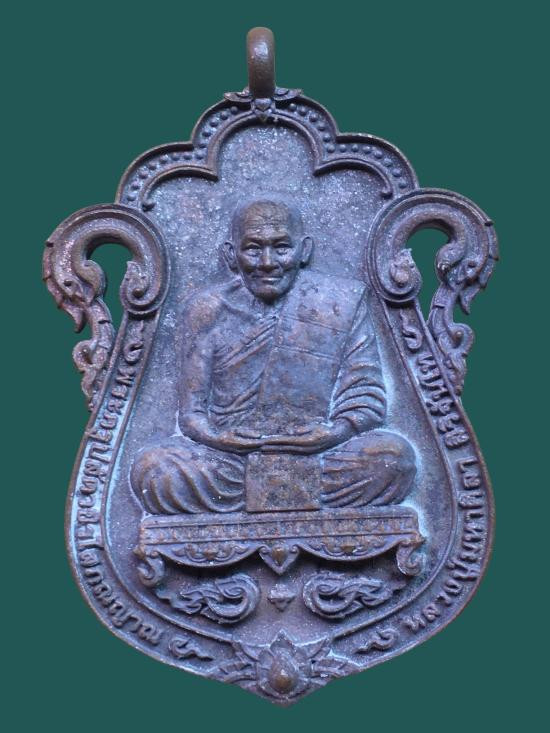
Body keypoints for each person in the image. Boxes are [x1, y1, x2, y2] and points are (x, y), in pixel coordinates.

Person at [131, 199, 416, 514]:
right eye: (253, 249)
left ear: (304, 251)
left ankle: (274, 495)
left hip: (319, 454)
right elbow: (191, 415)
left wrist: (334, 432)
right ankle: (285, 495)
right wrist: (221, 438)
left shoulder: (339, 303)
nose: (267, 262)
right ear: (231, 255)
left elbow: (365, 396)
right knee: (155, 469)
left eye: (281, 248)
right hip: (231, 462)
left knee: (393, 459)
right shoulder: (205, 310)